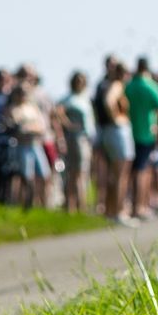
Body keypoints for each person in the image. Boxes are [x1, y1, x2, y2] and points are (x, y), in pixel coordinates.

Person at [124, 57, 158, 218]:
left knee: (131, 170)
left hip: (130, 132)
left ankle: (133, 205)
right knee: (142, 171)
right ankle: (140, 207)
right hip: (147, 134)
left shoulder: (129, 86)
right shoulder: (152, 86)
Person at [3, 82, 50, 209]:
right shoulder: (13, 109)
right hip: (23, 146)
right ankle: (27, 205)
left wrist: (28, 127)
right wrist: (30, 127)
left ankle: (43, 204)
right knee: (26, 177)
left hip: (36, 145)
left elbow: (42, 127)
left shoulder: (32, 107)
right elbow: (18, 128)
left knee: (44, 175)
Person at [53, 70, 94, 213]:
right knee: (75, 172)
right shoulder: (69, 99)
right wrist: (68, 125)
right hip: (75, 139)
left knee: (83, 172)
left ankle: (80, 204)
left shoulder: (84, 97)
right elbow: (57, 113)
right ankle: (73, 205)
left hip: (86, 139)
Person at [99, 60, 134, 223]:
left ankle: (111, 211)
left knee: (115, 174)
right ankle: (119, 212)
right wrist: (116, 119)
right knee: (121, 174)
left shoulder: (108, 84)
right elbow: (109, 102)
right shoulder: (117, 85)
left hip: (110, 132)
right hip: (118, 131)